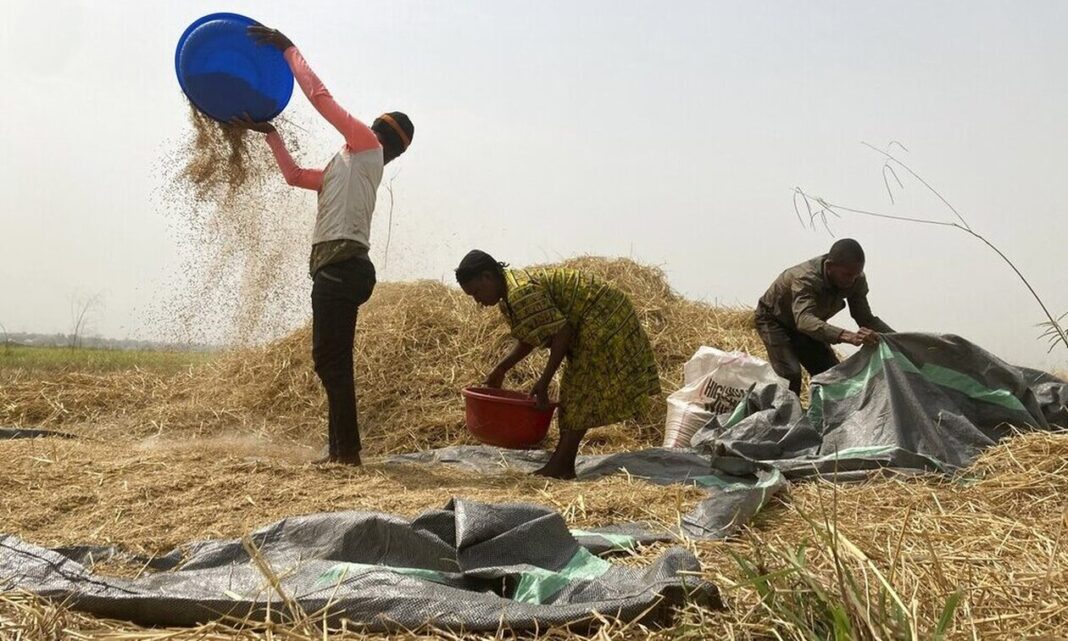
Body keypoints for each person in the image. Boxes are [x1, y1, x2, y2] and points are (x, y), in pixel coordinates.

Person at [230, 25, 415, 465]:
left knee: (332, 362)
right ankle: (342, 450)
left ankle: (346, 453)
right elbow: (295, 177)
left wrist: (288, 47)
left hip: (342, 268)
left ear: (376, 132)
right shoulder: (342, 168)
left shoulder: (366, 148)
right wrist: (269, 133)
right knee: (328, 361)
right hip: (336, 270)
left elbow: (320, 99)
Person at [455, 251, 661, 479]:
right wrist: (500, 369)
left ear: (487, 277)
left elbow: (562, 332)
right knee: (577, 393)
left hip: (604, 317)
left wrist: (543, 381)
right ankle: (562, 463)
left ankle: (561, 466)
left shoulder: (521, 292)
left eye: (476, 292)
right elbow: (529, 336)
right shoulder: (510, 298)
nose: (478, 302)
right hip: (593, 318)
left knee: (577, 392)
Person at [755, 239, 893, 396]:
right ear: (829, 266)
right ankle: (781, 417)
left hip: (808, 327)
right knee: (790, 375)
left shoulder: (856, 279)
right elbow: (804, 320)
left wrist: (899, 340)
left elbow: (865, 318)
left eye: (855, 276)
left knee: (833, 374)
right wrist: (848, 336)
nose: (851, 281)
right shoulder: (805, 278)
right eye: (847, 275)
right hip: (775, 320)